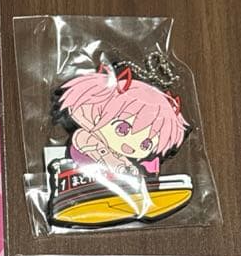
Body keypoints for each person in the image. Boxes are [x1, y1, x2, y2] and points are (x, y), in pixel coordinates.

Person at [55, 62, 188, 177]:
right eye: (122, 129)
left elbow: (121, 162)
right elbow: (99, 151)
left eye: (146, 144)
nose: (130, 145)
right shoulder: (85, 137)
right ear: (89, 111)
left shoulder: (120, 155)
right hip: (83, 181)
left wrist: (130, 168)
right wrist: (118, 165)